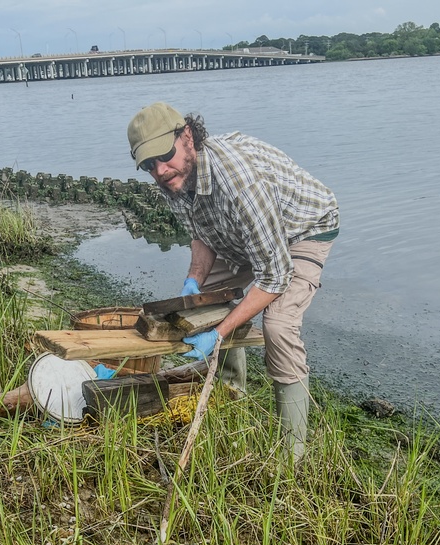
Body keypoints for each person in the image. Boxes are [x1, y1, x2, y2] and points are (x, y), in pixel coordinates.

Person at [126, 102, 339, 460]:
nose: (160, 170)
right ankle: (230, 395)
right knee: (204, 305)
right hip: (243, 234)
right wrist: (194, 281)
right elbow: (202, 233)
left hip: (303, 229)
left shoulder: (240, 183)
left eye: (165, 156)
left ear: (188, 137)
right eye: (149, 165)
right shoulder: (173, 177)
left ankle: (293, 454)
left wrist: (220, 331)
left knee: (279, 326)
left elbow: (274, 276)